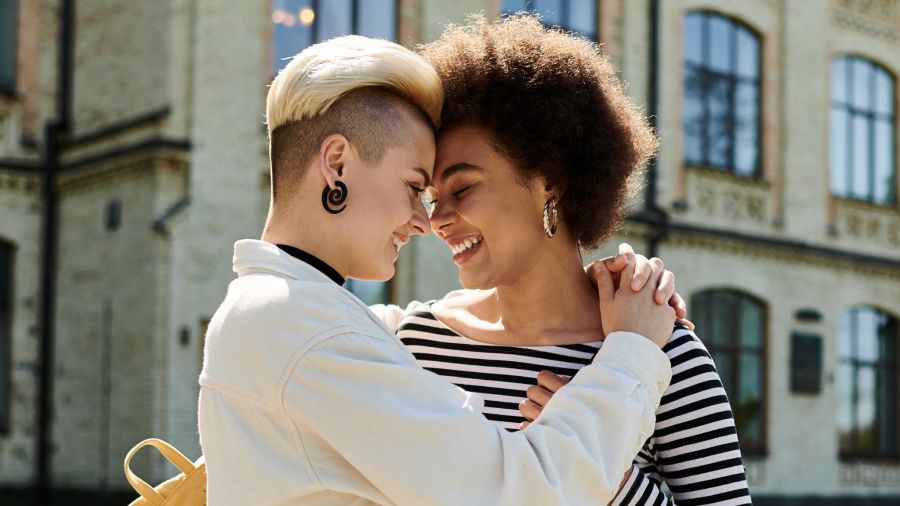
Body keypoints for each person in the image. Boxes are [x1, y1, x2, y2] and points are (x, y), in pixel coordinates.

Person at [198, 34, 680, 505]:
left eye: (457, 190)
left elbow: (368, 335)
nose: (424, 220)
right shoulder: (308, 331)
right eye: (414, 187)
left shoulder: (293, 313)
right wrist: (632, 352)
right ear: (337, 163)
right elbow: (522, 491)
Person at [377, 16, 751, 505]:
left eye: (462, 187)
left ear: (548, 181)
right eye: (432, 195)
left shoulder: (661, 352)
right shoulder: (417, 343)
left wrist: (600, 468)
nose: (437, 219)